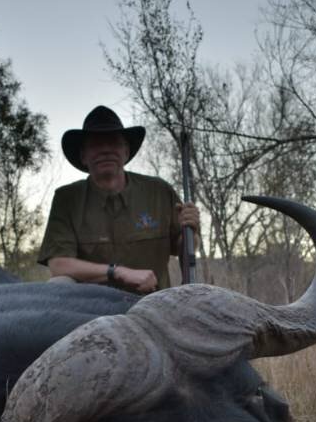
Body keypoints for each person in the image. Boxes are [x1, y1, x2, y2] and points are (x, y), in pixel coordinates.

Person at [37, 105, 200, 294]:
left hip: (151, 302)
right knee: (57, 285)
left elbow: (184, 248)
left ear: (126, 151)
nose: (106, 150)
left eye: (114, 142)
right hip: (89, 307)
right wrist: (117, 272)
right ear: (83, 155)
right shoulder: (67, 198)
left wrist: (190, 231)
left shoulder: (159, 190)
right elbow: (59, 265)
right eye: (96, 144)